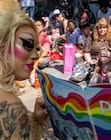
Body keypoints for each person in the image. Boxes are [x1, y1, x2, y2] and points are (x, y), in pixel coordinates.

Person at [0, 0, 49, 139]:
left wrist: (35, 121)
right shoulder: (11, 107)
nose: (35, 55)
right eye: (27, 44)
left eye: (37, 48)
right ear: (2, 43)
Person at [30, 18, 51, 87]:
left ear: (43, 27)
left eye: (39, 25)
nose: (36, 27)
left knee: (38, 60)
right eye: (35, 25)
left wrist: (36, 56)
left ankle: (32, 75)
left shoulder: (45, 37)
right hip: (33, 56)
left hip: (44, 58)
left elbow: (46, 53)